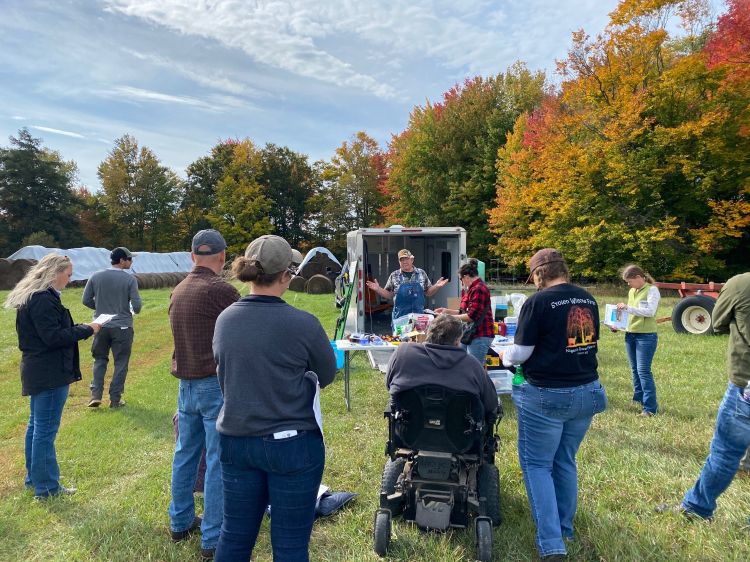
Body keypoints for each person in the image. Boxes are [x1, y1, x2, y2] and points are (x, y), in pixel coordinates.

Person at [213, 234, 336, 562]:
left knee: (234, 536)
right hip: (291, 445)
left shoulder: (225, 320)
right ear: (287, 275)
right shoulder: (304, 324)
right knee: (290, 545)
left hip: (235, 440)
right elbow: (326, 375)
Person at [498, 248, 607, 561]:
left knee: (537, 465)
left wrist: (505, 354)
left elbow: (520, 354)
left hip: (547, 393)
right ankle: (565, 528)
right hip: (586, 388)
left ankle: (552, 544)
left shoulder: (538, 302)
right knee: (565, 460)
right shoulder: (587, 298)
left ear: (539, 275)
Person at [168, 229, 240, 561]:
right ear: (224, 257)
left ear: (192, 254)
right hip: (213, 383)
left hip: (186, 384)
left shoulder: (179, 289)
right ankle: (212, 538)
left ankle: (180, 521)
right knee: (216, 460)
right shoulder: (221, 290)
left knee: (185, 454)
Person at [4, 254, 100, 499]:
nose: (69, 280)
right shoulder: (43, 300)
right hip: (49, 372)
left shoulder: (36, 297)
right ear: (55, 273)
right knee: (44, 431)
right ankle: (46, 488)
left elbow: (51, 331)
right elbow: (53, 337)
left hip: (39, 369)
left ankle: (34, 479)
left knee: (36, 427)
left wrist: (77, 327)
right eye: (68, 275)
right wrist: (88, 329)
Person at [656, 272, 750, 521]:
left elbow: (717, 322)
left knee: (726, 452)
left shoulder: (741, 284)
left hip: (746, 385)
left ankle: (697, 508)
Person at [385, 313, 498, 421]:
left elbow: (389, 385)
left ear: (428, 333)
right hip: (460, 437)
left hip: (409, 433)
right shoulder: (473, 365)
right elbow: (491, 404)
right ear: (458, 340)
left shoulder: (403, 353)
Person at [82, 246, 142, 408]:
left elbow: (85, 300)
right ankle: (115, 399)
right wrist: (129, 309)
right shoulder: (130, 280)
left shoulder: (96, 276)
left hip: (100, 325)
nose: (131, 261)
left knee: (99, 359)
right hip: (122, 327)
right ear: (122, 260)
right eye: (130, 259)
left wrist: (99, 307)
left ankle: (95, 395)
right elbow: (137, 306)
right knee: (121, 362)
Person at [615, 264, 661, 417]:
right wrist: (618, 324)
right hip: (630, 334)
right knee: (635, 370)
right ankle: (638, 399)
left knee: (643, 371)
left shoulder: (652, 290)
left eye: (630, 281)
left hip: (646, 336)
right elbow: (630, 315)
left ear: (638, 278)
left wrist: (627, 308)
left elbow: (650, 312)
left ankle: (650, 408)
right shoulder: (632, 291)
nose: (628, 284)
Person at [434, 259, 494, 366]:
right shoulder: (473, 288)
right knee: (462, 363)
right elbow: (463, 311)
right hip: (470, 334)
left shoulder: (479, 289)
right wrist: (446, 311)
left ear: (466, 277)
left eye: (461, 279)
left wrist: (447, 316)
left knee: (474, 368)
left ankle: (479, 383)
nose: (461, 282)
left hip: (480, 335)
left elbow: (471, 316)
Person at [365, 248, 448, 324]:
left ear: (412, 259)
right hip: (400, 317)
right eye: (402, 260)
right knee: (400, 340)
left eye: (407, 259)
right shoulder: (394, 275)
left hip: (418, 317)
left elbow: (428, 292)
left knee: (418, 339)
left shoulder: (421, 273)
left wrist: (437, 286)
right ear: (399, 262)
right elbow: (389, 295)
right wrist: (378, 289)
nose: (404, 262)